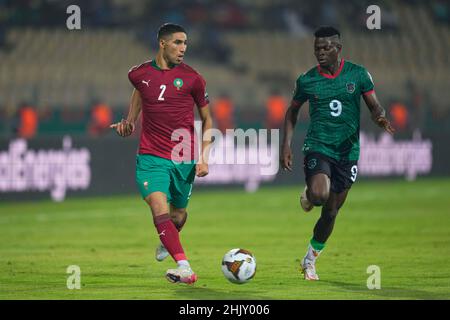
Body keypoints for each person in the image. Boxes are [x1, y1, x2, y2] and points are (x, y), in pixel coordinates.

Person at [280, 26, 394, 281]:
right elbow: (292, 111)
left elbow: (374, 105)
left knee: (330, 212)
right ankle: (311, 194)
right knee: (320, 195)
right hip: (318, 146)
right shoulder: (307, 80)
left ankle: (309, 260)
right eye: (316, 48)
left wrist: (380, 117)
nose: (320, 53)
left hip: (348, 151)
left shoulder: (359, 74)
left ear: (338, 49)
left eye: (325, 48)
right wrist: (286, 145)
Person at [110, 23, 212, 284]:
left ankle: (169, 240)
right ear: (162, 44)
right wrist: (130, 121)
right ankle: (185, 267)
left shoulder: (193, 78)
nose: (183, 48)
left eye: (185, 43)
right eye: (178, 42)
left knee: (178, 215)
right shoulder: (139, 74)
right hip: (151, 156)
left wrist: (203, 156)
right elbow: (140, 90)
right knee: (159, 206)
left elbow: (207, 120)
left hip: (183, 156)